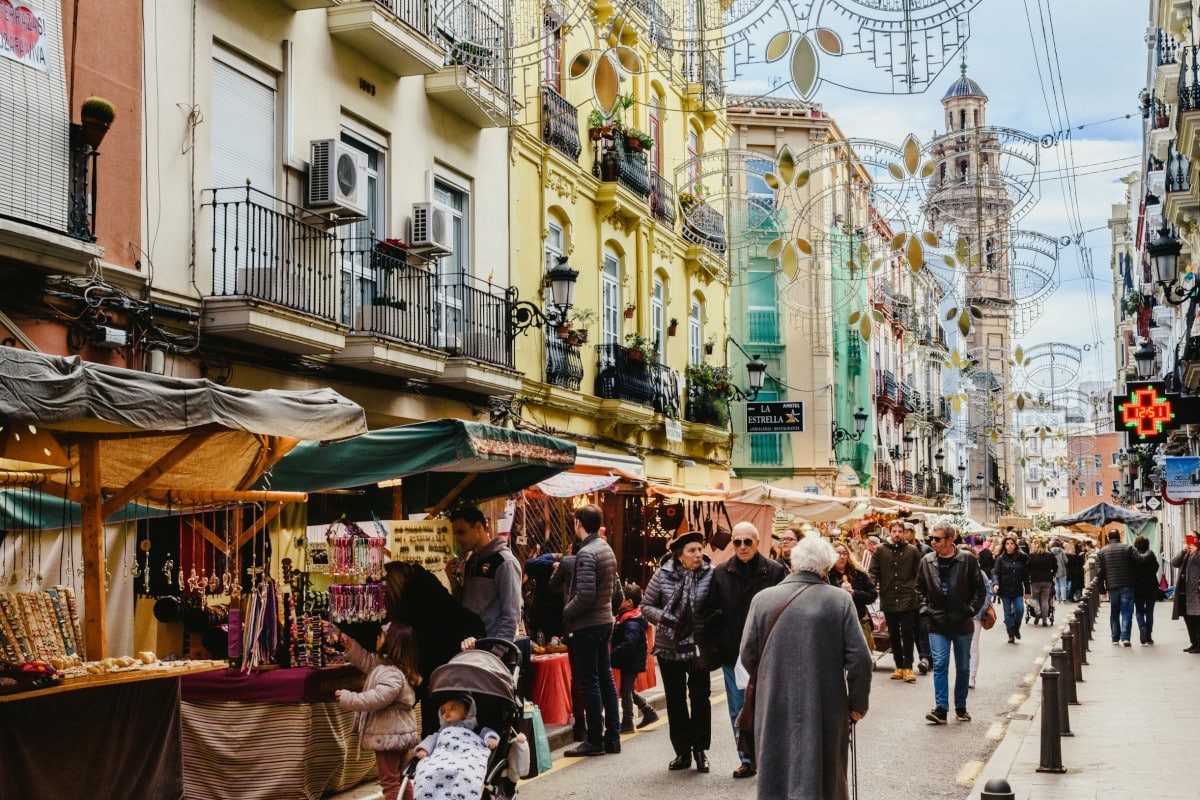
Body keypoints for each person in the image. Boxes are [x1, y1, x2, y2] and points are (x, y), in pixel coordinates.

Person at [740, 536, 871, 800]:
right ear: (826, 569)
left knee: (776, 765)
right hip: (825, 702)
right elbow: (860, 659)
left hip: (773, 699)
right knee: (825, 770)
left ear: (793, 564)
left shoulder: (763, 600)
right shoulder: (839, 600)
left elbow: (746, 656)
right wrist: (857, 704)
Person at [702, 521, 786, 778]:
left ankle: (769, 757)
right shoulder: (720, 573)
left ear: (757, 542)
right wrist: (719, 640)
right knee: (738, 708)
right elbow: (709, 611)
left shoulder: (775, 571)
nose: (741, 547)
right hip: (733, 654)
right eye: (736, 542)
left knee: (769, 706)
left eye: (746, 541)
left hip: (767, 653)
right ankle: (747, 759)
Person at [640, 530, 715, 773]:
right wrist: (667, 618)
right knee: (675, 700)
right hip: (669, 646)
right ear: (679, 555)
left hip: (697, 645)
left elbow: (719, 605)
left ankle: (700, 750)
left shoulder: (710, 575)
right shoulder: (663, 575)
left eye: (700, 550)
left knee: (701, 698)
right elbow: (646, 605)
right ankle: (682, 752)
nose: (698, 555)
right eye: (692, 551)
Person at [333, 622, 422, 800]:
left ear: (392, 644)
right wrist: (351, 646)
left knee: (389, 781)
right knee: (402, 779)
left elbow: (376, 698)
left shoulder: (392, 674)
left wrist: (349, 698)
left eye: (381, 636)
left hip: (389, 736)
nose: (377, 637)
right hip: (395, 734)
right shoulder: (390, 669)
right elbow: (368, 662)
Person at [560, 504, 622, 757]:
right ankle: (613, 737)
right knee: (605, 679)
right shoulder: (606, 548)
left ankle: (594, 738)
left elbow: (584, 595)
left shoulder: (586, 553)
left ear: (578, 524)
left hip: (588, 624)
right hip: (605, 620)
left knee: (591, 682)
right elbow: (616, 591)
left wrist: (566, 612)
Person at [916, 524, 985, 724]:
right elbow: (919, 589)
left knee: (963, 667)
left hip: (962, 622)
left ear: (950, 539)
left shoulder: (967, 560)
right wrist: (926, 609)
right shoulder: (926, 561)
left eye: (937, 539)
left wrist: (969, 611)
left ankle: (961, 707)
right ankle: (941, 709)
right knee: (940, 664)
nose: (933, 542)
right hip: (937, 623)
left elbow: (979, 590)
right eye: (931, 539)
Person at [413, 693, 528, 800]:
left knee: (465, 774)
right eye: (443, 711)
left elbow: (487, 733)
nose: (447, 712)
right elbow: (430, 740)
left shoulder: (476, 729)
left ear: (467, 711)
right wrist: (424, 749)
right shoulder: (441, 732)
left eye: (453, 708)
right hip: (442, 758)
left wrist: (491, 739)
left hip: (466, 757)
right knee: (428, 771)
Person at [445, 507, 522, 640]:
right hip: (471, 645)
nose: (457, 539)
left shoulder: (504, 562)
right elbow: (465, 604)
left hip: (491, 649)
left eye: (461, 532)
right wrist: (452, 581)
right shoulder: (471, 561)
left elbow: (511, 616)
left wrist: (496, 652)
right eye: (455, 534)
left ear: (479, 527)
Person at [869, 520, 922, 682]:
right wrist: (870, 587)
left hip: (908, 598)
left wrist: (916, 591)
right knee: (893, 635)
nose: (897, 534)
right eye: (894, 531)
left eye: (900, 531)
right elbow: (873, 572)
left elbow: (918, 574)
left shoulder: (912, 551)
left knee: (907, 633)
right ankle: (899, 666)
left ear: (904, 532)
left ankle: (908, 667)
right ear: (889, 533)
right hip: (889, 597)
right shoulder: (880, 551)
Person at [610, 582, 658, 732]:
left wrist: (614, 653)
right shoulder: (628, 617)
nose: (618, 601)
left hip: (631, 660)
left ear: (629, 602)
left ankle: (627, 722)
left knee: (625, 691)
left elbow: (629, 643)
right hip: (630, 660)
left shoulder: (631, 620)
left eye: (622, 598)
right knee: (627, 690)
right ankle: (648, 711)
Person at [829, 541, 878, 650]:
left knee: (862, 654)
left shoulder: (858, 574)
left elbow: (873, 594)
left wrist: (854, 593)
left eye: (844, 553)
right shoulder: (827, 576)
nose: (842, 557)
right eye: (838, 553)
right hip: (837, 623)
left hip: (859, 619)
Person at [1097, 529, 1136, 646]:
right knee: (1127, 612)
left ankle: (1115, 637)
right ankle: (1125, 637)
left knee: (1114, 612)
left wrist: (1101, 588)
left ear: (1108, 538)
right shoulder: (1128, 548)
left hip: (1112, 586)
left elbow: (1100, 572)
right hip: (1127, 584)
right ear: (1120, 537)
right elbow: (1136, 564)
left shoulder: (1102, 551)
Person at [963, 545, 993, 689]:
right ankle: (963, 674)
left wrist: (980, 609)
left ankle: (971, 677)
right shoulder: (953, 572)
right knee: (960, 647)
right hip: (957, 615)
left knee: (973, 646)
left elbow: (988, 592)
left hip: (974, 615)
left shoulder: (980, 574)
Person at [992, 536, 1030, 644]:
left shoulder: (1021, 558)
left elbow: (1026, 576)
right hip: (1004, 589)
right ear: (1004, 546)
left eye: (1012, 543)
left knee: (1020, 610)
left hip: (1017, 589)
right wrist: (996, 584)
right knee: (1007, 613)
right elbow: (996, 573)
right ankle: (1010, 634)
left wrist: (1027, 591)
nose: (1009, 546)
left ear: (1015, 545)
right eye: (1007, 544)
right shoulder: (1000, 559)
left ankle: (1016, 628)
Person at [1171, 533, 1200, 652]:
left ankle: (1199, 644)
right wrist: (1183, 551)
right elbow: (1174, 563)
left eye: (1193, 538)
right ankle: (1193, 642)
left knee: (1196, 619)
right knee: (1188, 618)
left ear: (1198, 539)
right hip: (1183, 592)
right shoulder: (1186, 552)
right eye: (1188, 537)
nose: (1190, 540)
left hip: (1195, 592)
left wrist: (1197, 553)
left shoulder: (1198, 552)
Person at [1132, 535, 1160, 646]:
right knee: (1149, 611)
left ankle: (1142, 627)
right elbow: (1156, 567)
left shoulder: (1134, 555)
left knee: (1139, 611)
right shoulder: (1151, 554)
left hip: (1138, 587)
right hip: (1151, 586)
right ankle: (1148, 636)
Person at [1026, 539, 1057, 627]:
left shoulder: (1031, 556)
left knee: (1035, 598)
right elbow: (1055, 566)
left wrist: (1029, 575)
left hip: (1035, 579)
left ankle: (1038, 612)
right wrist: (1053, 574)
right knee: (1045, 599)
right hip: (1047, 579)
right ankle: (1044, 620)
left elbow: (1027, 568)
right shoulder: (1050, 555)